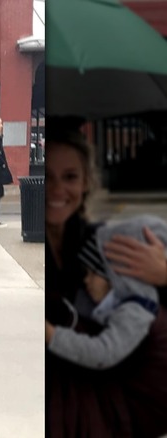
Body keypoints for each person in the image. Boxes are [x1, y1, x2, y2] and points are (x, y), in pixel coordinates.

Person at [46, 124, 167, 437]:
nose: (57, 189)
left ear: (87, 182)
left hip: (104, 405)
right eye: (47, 177)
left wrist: (164, 275)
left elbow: (109, 349)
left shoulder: (109, 243)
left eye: (70, 177)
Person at [46, 215, 167, 370]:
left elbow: (103, 352)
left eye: (93, 273)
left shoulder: (137, 311)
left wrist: (50, 334)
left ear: (118, 276)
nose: (86, 280)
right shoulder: (119, 301)